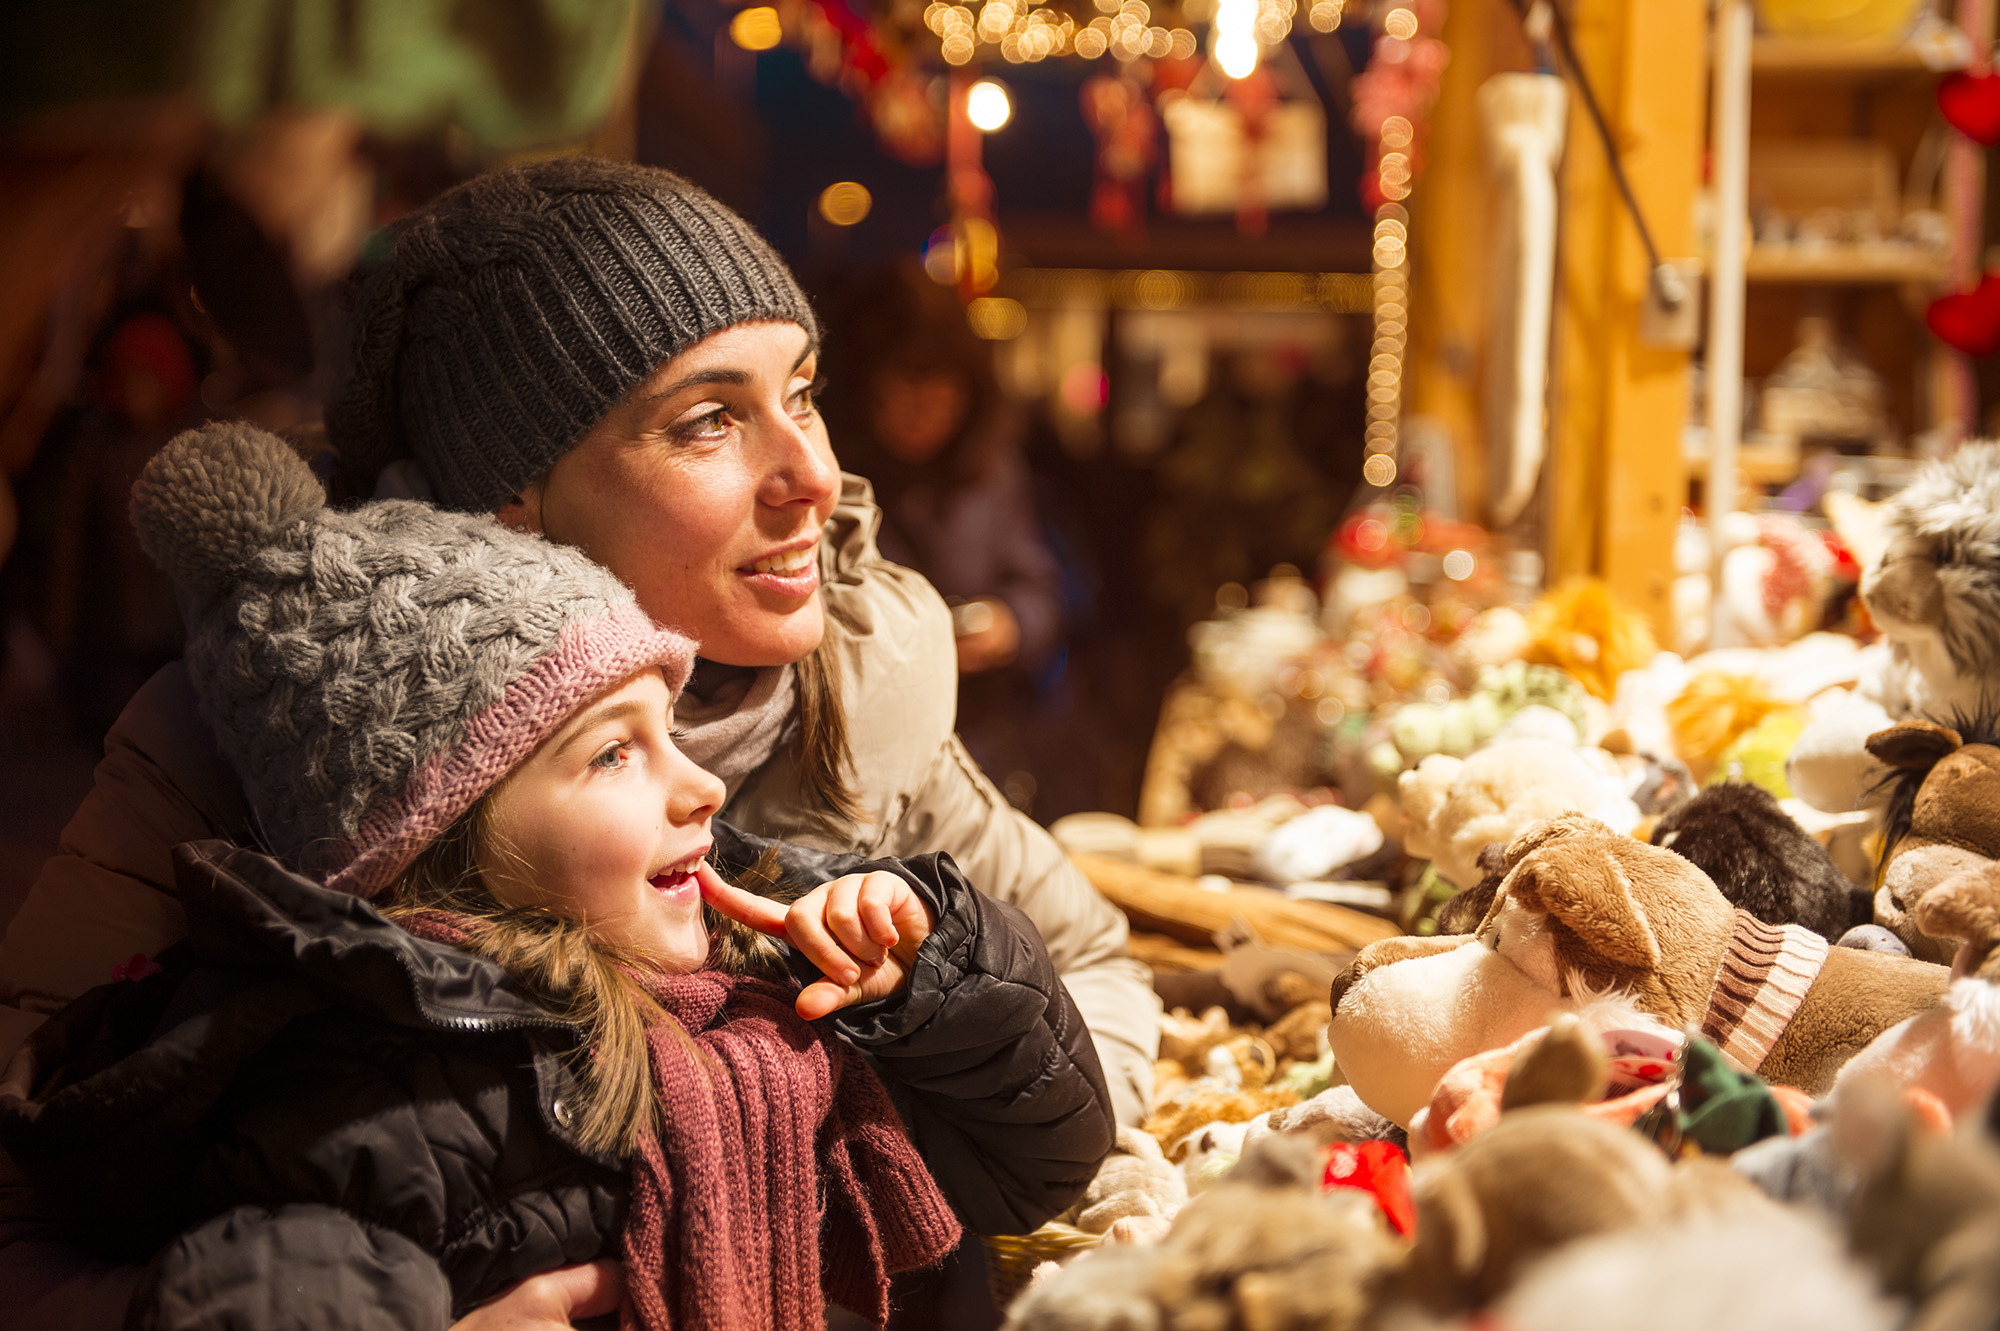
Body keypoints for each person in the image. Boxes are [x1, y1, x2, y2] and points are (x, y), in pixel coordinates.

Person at [0, 157, 1157, 1135]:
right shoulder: (258, 729)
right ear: (513, 499)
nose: (813, 474)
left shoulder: (855, 689)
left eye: (799, 393)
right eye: (708, 418)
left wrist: (961, 1182)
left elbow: (1089, 965)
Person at [0, 423, 1112, 1330]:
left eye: (666, 727)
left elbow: (1037, 1166)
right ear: (442, 838)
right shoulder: (372, 1102)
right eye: (613, 752)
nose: (700, 789)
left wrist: (938, 987)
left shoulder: (764, 981)